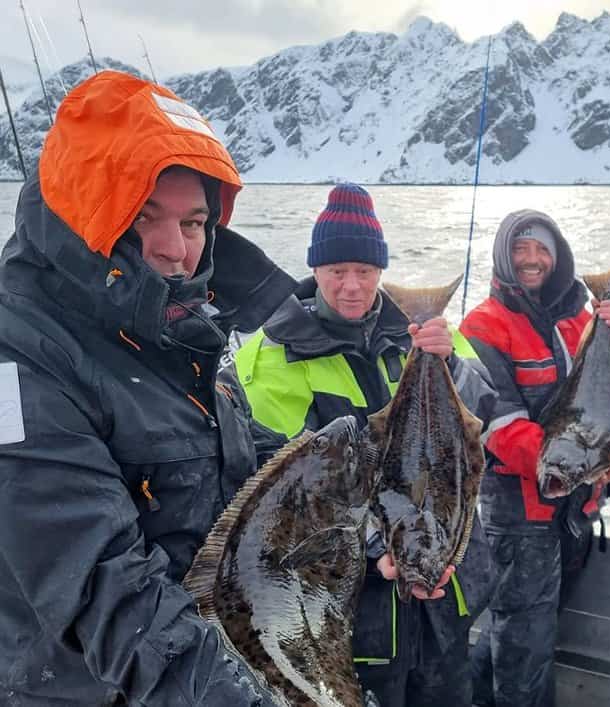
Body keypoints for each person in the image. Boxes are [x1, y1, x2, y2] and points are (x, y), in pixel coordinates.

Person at [0, 71, 298, 704]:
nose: (175, 250)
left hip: (211, 661)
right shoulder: (17, 362)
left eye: (194, 223)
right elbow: (100, 583)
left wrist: (366, 521)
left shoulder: (171, 327)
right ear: (86, 217)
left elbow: (233, 454)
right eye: (143, 217)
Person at [228, 182, 498, 707]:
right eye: (336, 272)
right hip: (356, 602)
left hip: (448, 580)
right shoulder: (271, 356)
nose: (352, 286)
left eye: (365, 272)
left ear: (380, 272)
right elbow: (285, 484)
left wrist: (450, 364)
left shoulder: (424, 329)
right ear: (315, 271)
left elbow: (482, 413)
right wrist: (379, 547)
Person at [459, 209, 610, 707]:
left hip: (578, 505)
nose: (532, 259)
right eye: (520, 249)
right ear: (503, 257)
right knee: (523, 648)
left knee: (525, 631)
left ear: (557, 257)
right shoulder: (481, 326)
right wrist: (580, 463)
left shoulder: (583, 319)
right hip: (520, 513)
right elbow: (499, 425)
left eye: (542, 249)